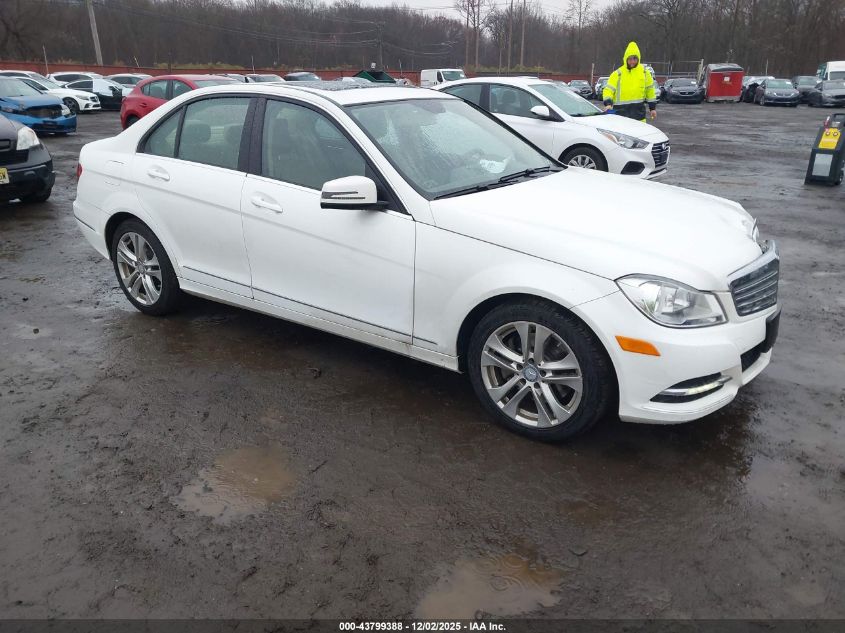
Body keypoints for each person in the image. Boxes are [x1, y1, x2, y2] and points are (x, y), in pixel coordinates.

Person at [602, 41, 657, 123]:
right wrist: (608, 104)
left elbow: (650, 91)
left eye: (635, 59)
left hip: (639, 115)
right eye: (630, 59)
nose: (632, 61)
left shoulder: (645, 73)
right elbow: (608, 90)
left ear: (638, 58)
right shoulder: (618, 74)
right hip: (621, 116)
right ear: (626, 59)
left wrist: (652, 108)